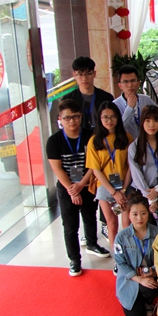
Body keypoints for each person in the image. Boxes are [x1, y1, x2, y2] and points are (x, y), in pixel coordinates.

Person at [47, 99, 109, 276]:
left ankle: (92, 244)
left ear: (81, 116)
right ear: (60, 119)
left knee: (90, 217)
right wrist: (72, 190)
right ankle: (74, 259)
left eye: (75, 116)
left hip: (87, 183)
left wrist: (81, 184)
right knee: (70, 225)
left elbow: (95, 164)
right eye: (67, 118)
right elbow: (57, 169)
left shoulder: (91, 136)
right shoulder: (54, 141)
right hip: (67, 187)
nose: (71, 121)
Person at [85, 101, 133, 252]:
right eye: (105, 117)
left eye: (112, 116)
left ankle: (129, 254)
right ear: (99, 118)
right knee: (112, 224)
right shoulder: (94, 141)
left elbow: (131, 167)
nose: (109, 120)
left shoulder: (127, 138)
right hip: (105, 186)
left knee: (127, 223)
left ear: (118, 117)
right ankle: (116, 257)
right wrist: (114, 192)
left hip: (125, 186)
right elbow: (95, 170)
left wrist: (123, 190)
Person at [114, 192, 158, 316]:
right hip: (131, 279)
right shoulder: (121, 237)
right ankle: (135, 298)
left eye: (143, 213)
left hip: (152, 276)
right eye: (135, 214)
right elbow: (120, 263)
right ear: (128, 215)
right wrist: (139, 279)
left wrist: (153, 271)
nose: (139, 218)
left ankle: (148, 300)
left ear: (148, 213)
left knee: (152, 289)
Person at [128, 105, 158, 222]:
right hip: (142, 194)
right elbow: (136, 174)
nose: (152, 125)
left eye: (155, 120)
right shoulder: (134, 147)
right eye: (147, 120)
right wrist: (150, 196)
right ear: (142, 122)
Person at [60, 56, 113, 130]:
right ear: (74, 75)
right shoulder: (67, 99)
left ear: (94, 74)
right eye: (80, 74)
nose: (84, 78)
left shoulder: (106, 97)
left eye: (88, 74)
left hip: (102, 136)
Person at [112, 65, 157, 139]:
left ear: (138, 83)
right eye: (125, 82)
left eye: (133, 81)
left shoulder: (146, 100)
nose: (130, 85)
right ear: (120, 85)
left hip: (147, 141)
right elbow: (118, 130)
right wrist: (129, 108)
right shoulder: (115, 105)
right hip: (127, 143)